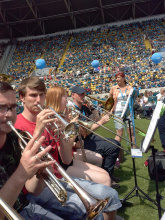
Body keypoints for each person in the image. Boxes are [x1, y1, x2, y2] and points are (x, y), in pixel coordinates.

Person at [14, 77, 122, 220]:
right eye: (33, 95)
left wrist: (63, 134)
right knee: (92, 212)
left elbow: (66, 158)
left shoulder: (49, 119)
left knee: (111, 195)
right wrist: (38, 131)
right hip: (38, 187)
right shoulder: (17, 125)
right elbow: (26, 171)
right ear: (22, 98)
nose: (38, 100)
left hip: (59, 176)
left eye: (41, 95)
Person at [0, 81, 64, 219]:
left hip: (25, 207)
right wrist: (22, 172)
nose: (9, 114)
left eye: (12, 107)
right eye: (2, 107)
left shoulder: (16, 138)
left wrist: (40, 173)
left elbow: (33, 190)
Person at [45, 86, 111, 186]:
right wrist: (72, 129)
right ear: (57, 99)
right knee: (105, 178)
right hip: (61, 165)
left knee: (105, 173)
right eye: (65, 99)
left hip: (68, 158)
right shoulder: (53, 121)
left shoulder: (61, 116)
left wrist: (74, 140)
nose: (67, 102)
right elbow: (65, 156)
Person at [71, 85, 121, 187]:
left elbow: (95, 121)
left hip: (90, 137)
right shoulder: (72, 110)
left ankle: (108, 174)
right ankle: (106, 176)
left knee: (116, 143)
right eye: (80, 94)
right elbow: (85, 132)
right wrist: (101, 122)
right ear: (73, 95)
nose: (83, 96)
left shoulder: (84, 108)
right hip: (81, 141)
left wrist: (94, 110)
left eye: (83, 93)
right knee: (113, 147)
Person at [109, 72, 135, 162]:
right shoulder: (113, 88)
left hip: (128, 112)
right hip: (117, 112)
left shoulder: (130, 88)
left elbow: (134, 98)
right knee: (119, 132)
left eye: (119, 77)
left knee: (130, 131)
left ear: (124, 78)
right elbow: (111, 101)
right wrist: (110, 110)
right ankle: (116, 153)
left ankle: (134, 150)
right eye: (116, 78)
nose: (117, 79)